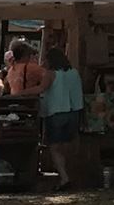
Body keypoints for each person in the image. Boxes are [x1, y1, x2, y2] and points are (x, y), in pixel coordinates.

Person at [37, 46, 87, 187]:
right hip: (74, 111)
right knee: (68, 145)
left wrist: (21, 92)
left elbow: (42, 88)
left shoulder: (51, 74)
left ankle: (64, 177)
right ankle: (73, 174)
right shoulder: (74, 73)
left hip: (56, 112)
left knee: (54, 147)